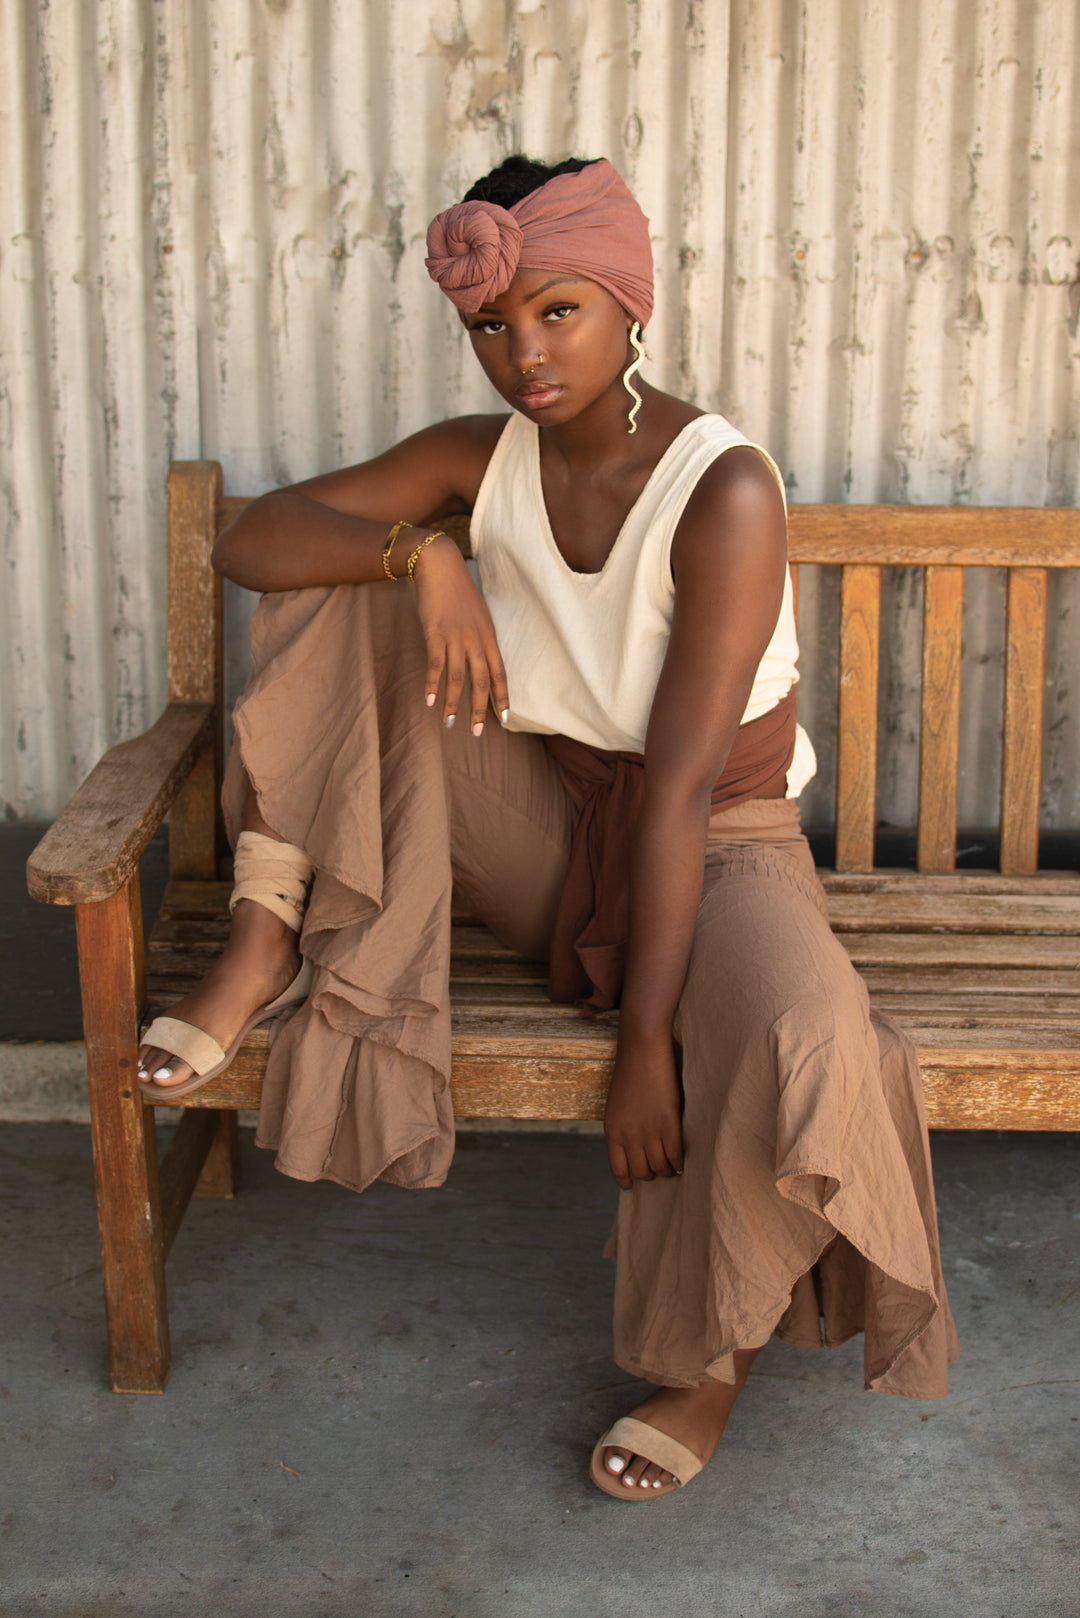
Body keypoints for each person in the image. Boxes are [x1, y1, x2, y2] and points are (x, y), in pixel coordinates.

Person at [137, 155, 958, 1500]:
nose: (524, 354)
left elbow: (687, 790)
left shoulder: (723, 488)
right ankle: (263, 933)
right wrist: (426, 555)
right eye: (492, 326)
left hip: (726, 837)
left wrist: (644, 1043)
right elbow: (258, 540)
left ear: (630, 302)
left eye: (559, 311)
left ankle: (708, 1359)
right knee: (346, 581)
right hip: (561, 818)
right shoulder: (485, 460)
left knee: (812, 1036)